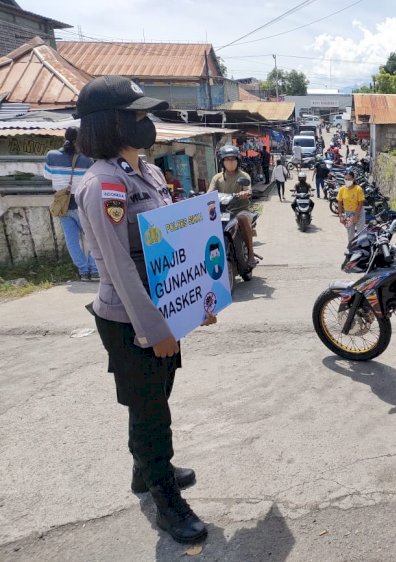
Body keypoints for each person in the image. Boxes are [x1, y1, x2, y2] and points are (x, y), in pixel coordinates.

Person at [74, 75, 218, 544]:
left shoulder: (148, 173)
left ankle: (147, 471)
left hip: (164, 309)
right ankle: (163, 497)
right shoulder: (104, 185)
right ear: (111, 123)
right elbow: (118, 266)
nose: (147, 122)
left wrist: (199, 299)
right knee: (151, 409)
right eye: (137, 115)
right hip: (129, 319)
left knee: (158, 396)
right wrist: (154, 329)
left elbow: (172, 244)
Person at [43, 127, 98, 281]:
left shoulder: (51, 155)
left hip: (62, 204)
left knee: (71, 240)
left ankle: (83, 272)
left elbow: (47, 175)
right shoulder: (87, 159)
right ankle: (93, 270)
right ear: (80, 140)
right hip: (81, 203)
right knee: (94, 238)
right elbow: (92, 181)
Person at [208, 145, 258, 267]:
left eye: (233, 159)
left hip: (241, 210)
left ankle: (251, 255)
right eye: (227, 159)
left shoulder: (244, 176)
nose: (230, 162)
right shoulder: (217, 178)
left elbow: (248, 189)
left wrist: (245, 192)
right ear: (222, 161)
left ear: (237, 160)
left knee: (242, 218)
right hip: (223, 211)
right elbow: (210, 193)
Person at [337, 170, 365, 241]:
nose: (347, 181)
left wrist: (356, 215)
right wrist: (340, 216)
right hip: (348, 213)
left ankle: (360, 249)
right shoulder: (342, 189)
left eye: (349, 179)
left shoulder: (358, 189)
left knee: (360, 233)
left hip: (359, 212)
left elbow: (361, 203)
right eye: (345, 179)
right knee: (350, 233)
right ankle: (351, 249)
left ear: (353, 179)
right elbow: (339, 203)